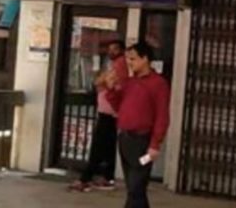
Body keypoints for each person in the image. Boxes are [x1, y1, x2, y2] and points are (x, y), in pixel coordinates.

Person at [105, 42, 170, 208]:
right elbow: (117, 105)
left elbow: (162, 115)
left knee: (136, 186)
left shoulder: (158, 84)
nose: (129, 63)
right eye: (128, 59)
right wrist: (111, 89)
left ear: (145, 59)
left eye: (133, 59)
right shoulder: (129, 82)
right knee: (134, 188)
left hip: (143, 141)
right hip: (125, 139)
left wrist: (155, 144)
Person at [69, 39, 129, 192]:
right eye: (110, 49)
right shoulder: (114, 64)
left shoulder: (120, 64)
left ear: (122, 50)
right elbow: (100, 81)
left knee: (98, 145)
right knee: (108, 146)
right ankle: (107, 177)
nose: (111, 52)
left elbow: (105, 82)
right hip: (109, 110)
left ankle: (86, 178)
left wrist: (102, 82)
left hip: (110, 111)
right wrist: (101, 81)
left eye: (115, 49)